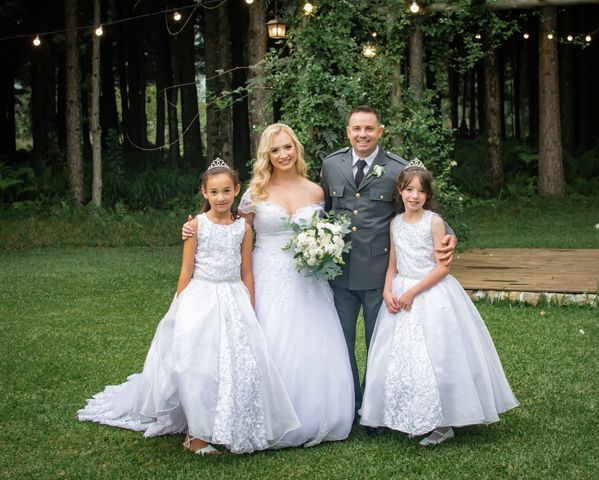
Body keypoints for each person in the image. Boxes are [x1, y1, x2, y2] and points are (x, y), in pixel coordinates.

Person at [78, 160, 300, 455]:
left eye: (226, 191)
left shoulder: (243, 230)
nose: (220, 197)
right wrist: (180, 306)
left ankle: (228, 421)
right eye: (214, 191)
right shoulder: (196, 226)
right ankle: (196, 434)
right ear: (204, 193)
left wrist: (250, 305)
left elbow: (247, 271)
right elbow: (186, 271)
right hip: (201, 297)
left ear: (236, 190)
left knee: (237, 363)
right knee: (199, 364)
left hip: (233, 297)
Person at [183, 124, 355, 447]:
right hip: (266, 275)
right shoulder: (254, 194)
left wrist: (324, 247)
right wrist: (193, 225)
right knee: (264, 342)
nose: (283, 154)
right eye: (275, 150)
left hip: (309, 282)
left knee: (310, 344)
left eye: (287, 147)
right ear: (267, 155)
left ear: (297, 148)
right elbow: (229, 228)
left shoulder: (316, 192)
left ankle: (315, 415)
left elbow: (327, 231)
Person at [359, 162, 519, 445]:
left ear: (428, 195)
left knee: (439, 356)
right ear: (400, 191)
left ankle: (444, 422)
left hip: (431, 293)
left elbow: (442, 268)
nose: (414, 196)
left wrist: (413, 293)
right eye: (409, 190)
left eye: (421, 191)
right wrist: (387, 291)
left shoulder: (433, 222)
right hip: (400, 291)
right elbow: (392, 265)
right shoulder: (394, 224)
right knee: (404, 357)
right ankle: (414, 413)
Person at [320, 105, 457, 417]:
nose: (362, 134)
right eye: (357, 129)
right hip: (338, 272)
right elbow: (324, 209)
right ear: (348, 132)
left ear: (380, 131)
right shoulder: (331, 164)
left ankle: (373, 406)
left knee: (378, 344)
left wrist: (449, 235)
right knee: (339, 342)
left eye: (369, 129)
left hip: (379, 274)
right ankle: (349, 403)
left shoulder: (396, 168)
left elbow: (420, 205)